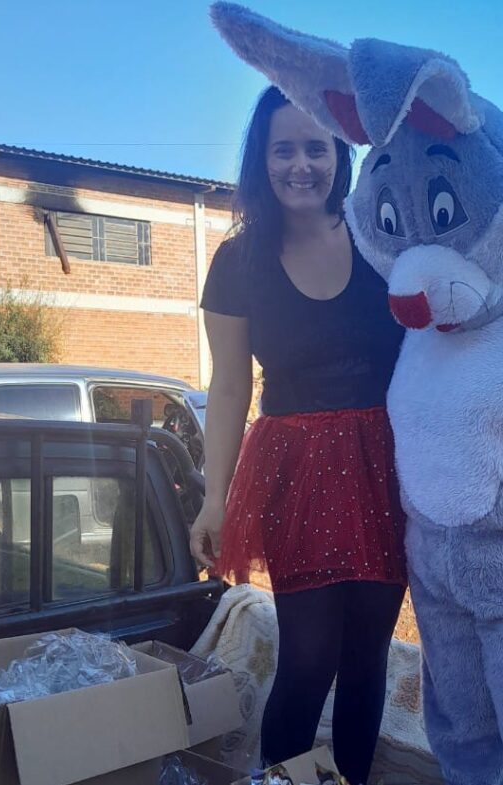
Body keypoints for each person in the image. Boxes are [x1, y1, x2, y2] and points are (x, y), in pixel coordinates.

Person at [189, 85, 407, 785]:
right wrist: (214, 499)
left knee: (367, 656)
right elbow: (229, 388)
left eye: (316, 147)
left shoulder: (382, 239)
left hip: (385, 467)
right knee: (309, 658)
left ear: (339, 153)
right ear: (262, 157)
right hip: (297, 473)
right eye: (283, 149)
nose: (300, 165)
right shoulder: (237, 262)